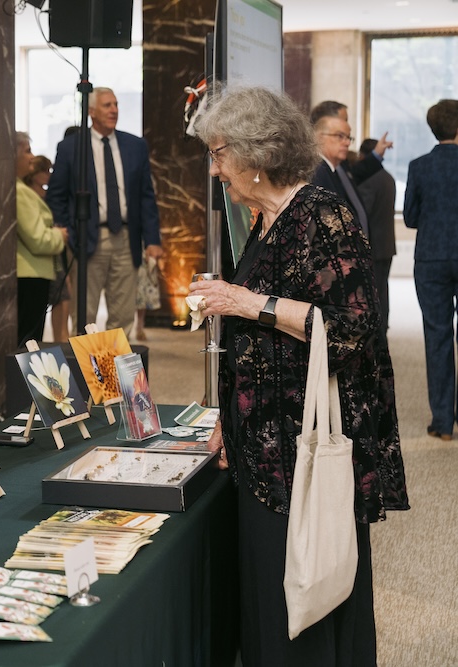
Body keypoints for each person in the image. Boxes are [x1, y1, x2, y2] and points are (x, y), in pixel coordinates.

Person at [189, 86, 409, 666]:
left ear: (255, 157)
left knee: (308, 593)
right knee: (272, 598)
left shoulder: (322, 215)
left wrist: (246, 302)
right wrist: (227, 417)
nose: (215, 171)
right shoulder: (266, 219)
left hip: (303, 452)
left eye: (219, 155)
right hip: (265, 443)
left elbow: (350, 330)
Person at [46, 87, 162, 334]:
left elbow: (146, 196)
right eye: (107, 105)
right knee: (84, 317)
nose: (114, 110)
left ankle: (116, 371)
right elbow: (55, 195)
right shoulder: (70, 147)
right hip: (86, 239)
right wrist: (66, 229)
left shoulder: (135, 146)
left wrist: (152, 239)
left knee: (122, 316)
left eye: (116, 104)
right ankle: (84, 371)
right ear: (91, 112)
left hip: (126, 238)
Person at [403, 99, 458, 441]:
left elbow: (409, 218)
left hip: (431, 259)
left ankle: (442, 422)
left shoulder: (419, 165)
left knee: (437, 337)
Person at [15, 133, 67, 344]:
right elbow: (38, 240)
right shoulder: (20, 192)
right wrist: (59, 235)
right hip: (30, 274)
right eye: (27, 151)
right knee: (29, 339)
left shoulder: (21, 189)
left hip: (34, 273)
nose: (32, 157)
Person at [24, 154, 72, 343]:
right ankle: (60, 338)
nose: (48, 175)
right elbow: (36, 235)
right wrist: (56, 234)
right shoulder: (26, 194)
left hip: (53, 252)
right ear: (34, 173)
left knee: (63, 295)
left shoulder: (48, 194)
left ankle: (63, 337)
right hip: (38, 258)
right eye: (44, 170)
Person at [355, 137, 397, 340]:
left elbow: (363, 214)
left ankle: (377, 335)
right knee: (383, 291)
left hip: (373, 246)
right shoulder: (388, 178)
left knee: (373, 295)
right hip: (386, 245)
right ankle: (383, 329)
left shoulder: (369, 182)